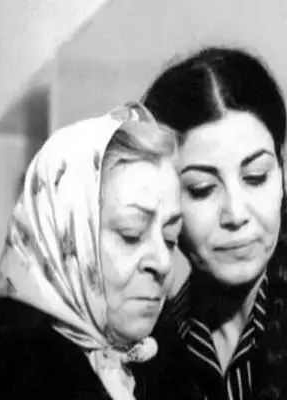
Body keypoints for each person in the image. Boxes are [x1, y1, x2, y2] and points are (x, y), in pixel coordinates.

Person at [0, 103, 182, 400]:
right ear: (68, 236)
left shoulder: (169, 359)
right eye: (131, 234)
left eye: (170, 238)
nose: (163, 262)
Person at [137, 47, 287, 400]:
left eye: (255, 177)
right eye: (202, 189)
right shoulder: (144, 349)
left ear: (283, 173)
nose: (236, 214)